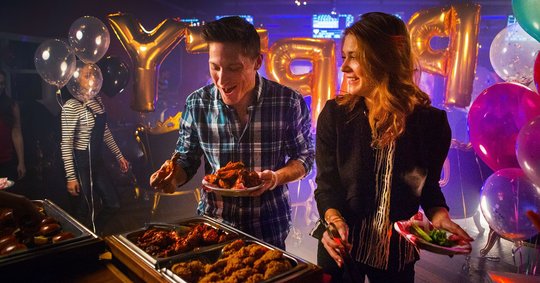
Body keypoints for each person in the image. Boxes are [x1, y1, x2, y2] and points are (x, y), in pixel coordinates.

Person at [314, 12, 473, 282]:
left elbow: (428, 187)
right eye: (344, 57)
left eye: (354, 57)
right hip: (341, 249)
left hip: (396, 255)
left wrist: (440, 216)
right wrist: (332, 220)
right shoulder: (334, 114)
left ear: (383, 59)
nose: (344, 68)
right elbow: (327, 186)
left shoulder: (431, 123)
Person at [150, 16, 314, 249]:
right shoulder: (197, 103)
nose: (222, 79)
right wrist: (172, 178)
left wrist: (276, 178)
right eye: (214, 67)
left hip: (268, 227)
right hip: (212, 228)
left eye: (234, 68)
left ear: (257, 62)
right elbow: (186, 160)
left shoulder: (288, 101)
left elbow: (305, 157)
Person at [60, 94, 129, 233]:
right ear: (77, 81)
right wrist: (71, 177)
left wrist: (119, 155)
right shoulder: (71, 105)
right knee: (82, 210)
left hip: (97, 160)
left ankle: (93, 234)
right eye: (87, 75)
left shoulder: (97, 100)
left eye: (92, 74)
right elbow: (66, 144)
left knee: (113, 203)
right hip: (80, 161)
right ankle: (76, 244)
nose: (91, 77)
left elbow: (105, 132)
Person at [0, 70, 26, 185]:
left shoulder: (11, 105)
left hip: (7, 160)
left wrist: (21, 161)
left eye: (2, 83)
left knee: (8, 199)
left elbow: (16, 133)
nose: (0, 86)